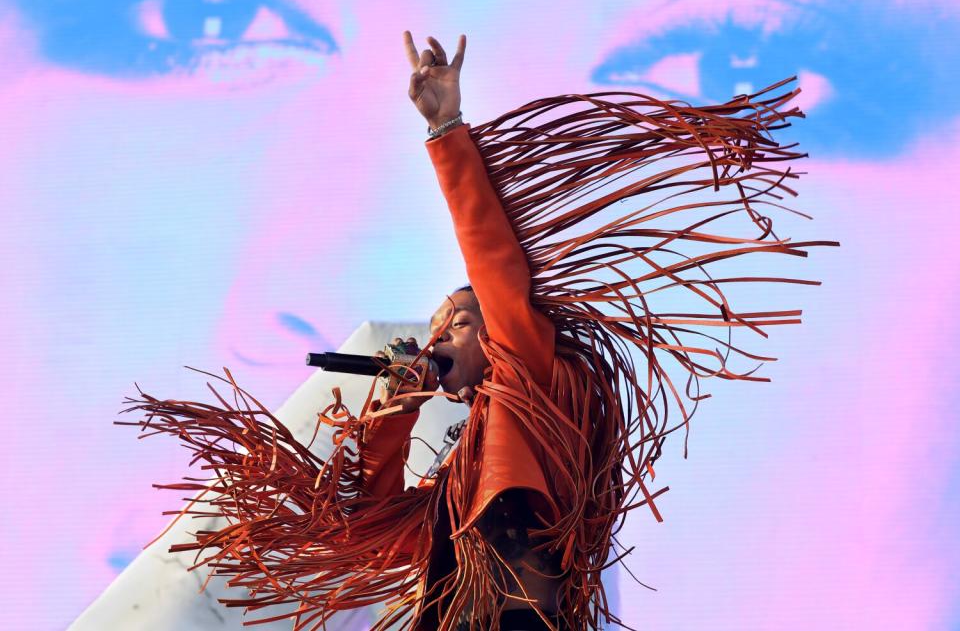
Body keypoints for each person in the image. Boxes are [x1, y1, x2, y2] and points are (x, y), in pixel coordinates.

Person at [121, 31, 837, 630]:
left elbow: (491, 257)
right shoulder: (462, 474)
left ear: (498, 325)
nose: (439, 332)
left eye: (457, 318)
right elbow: (377, 530)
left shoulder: (533, 372)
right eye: (435, 323)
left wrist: (445, 130)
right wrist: (391, 417)